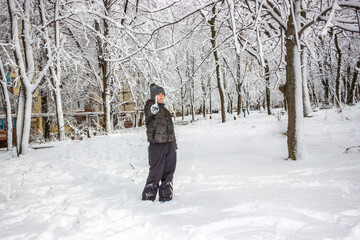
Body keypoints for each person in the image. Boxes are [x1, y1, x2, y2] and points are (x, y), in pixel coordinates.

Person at [142, 83, 177, 202]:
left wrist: (174, 144)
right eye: (159, 94)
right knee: (156, 171)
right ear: (153, 96)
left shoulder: (165, 111)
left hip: (169, 144)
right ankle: (148, 197)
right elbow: (152, 110)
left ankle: (166, 196)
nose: (161, 97)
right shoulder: (150, 107)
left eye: (163, 94)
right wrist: (154, 100)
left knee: (169, 171)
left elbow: (171, 129)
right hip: (157, 144)